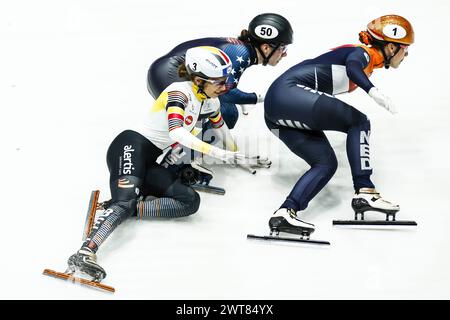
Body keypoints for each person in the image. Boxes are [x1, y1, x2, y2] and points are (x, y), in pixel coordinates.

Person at [66, 46, 247, 281]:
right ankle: (84, 252)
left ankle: (128, 210)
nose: (225, 88)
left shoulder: (209, 101)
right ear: (199, 80)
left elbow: (221, 128)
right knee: (123, 203)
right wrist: (217, 153)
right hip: (131, 146)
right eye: (220, 83)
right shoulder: (178, 92)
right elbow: (177, 133)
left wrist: (238, 155)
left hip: (152, 161)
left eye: (227, 82)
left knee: (190, 201)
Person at [263, 15, 414, 236]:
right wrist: (373, 91)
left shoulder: (366, 59)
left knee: (325, 163)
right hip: (289, 93)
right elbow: (353, 67)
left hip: (274, 112)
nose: (406, 54)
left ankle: (286, 212)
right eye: (405, 49)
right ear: (391, 47)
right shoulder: (363, 53)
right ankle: (365, 190)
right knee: (359, 122)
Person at [147, 13, 293, 130]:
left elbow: (223, 83)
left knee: (216, 103)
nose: (285, 54)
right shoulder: (242, 53)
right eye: (283, 48)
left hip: (164, 70)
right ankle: (184, 159)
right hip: (169, 73)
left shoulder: (242, 49)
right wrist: (260, 97)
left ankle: (189, 145)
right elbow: (227, 93)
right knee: (228, 112)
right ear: (266, 48)